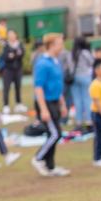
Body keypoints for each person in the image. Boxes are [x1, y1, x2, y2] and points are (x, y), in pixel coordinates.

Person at [32, 33, 70, 178]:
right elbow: (38, 87)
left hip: (54, 101)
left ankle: (50, 166)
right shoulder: (42, 63)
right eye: (60, 44)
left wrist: (62, 104)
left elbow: (57, 85)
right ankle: (38, 158)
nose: (62, 47)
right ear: (51, 45)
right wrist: (43, 109)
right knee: (55, 134)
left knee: (53, 134)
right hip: (45, 102)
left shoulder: (55, 61)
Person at [0, 30, 26, 115]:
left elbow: (21, 54)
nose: (11, 36)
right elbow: (5, 56)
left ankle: (18, 104)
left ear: (16, 35)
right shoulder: (6, 45)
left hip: (18, 69)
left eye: (13, 34)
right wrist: (14, 55)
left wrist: (14, 55)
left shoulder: (19, 44)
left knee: (18, 86)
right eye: (9, 35)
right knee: (6, 88)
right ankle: (6, 105)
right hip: (8, 70)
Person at [68, 37, 95, 126]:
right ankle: (88, 119)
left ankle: (78, 120)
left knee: (77, 99)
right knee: (87, 98)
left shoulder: (71, 53)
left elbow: (69, 66)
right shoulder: (85, 52)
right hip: (85, 76)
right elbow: (92, 62)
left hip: (74, 78)